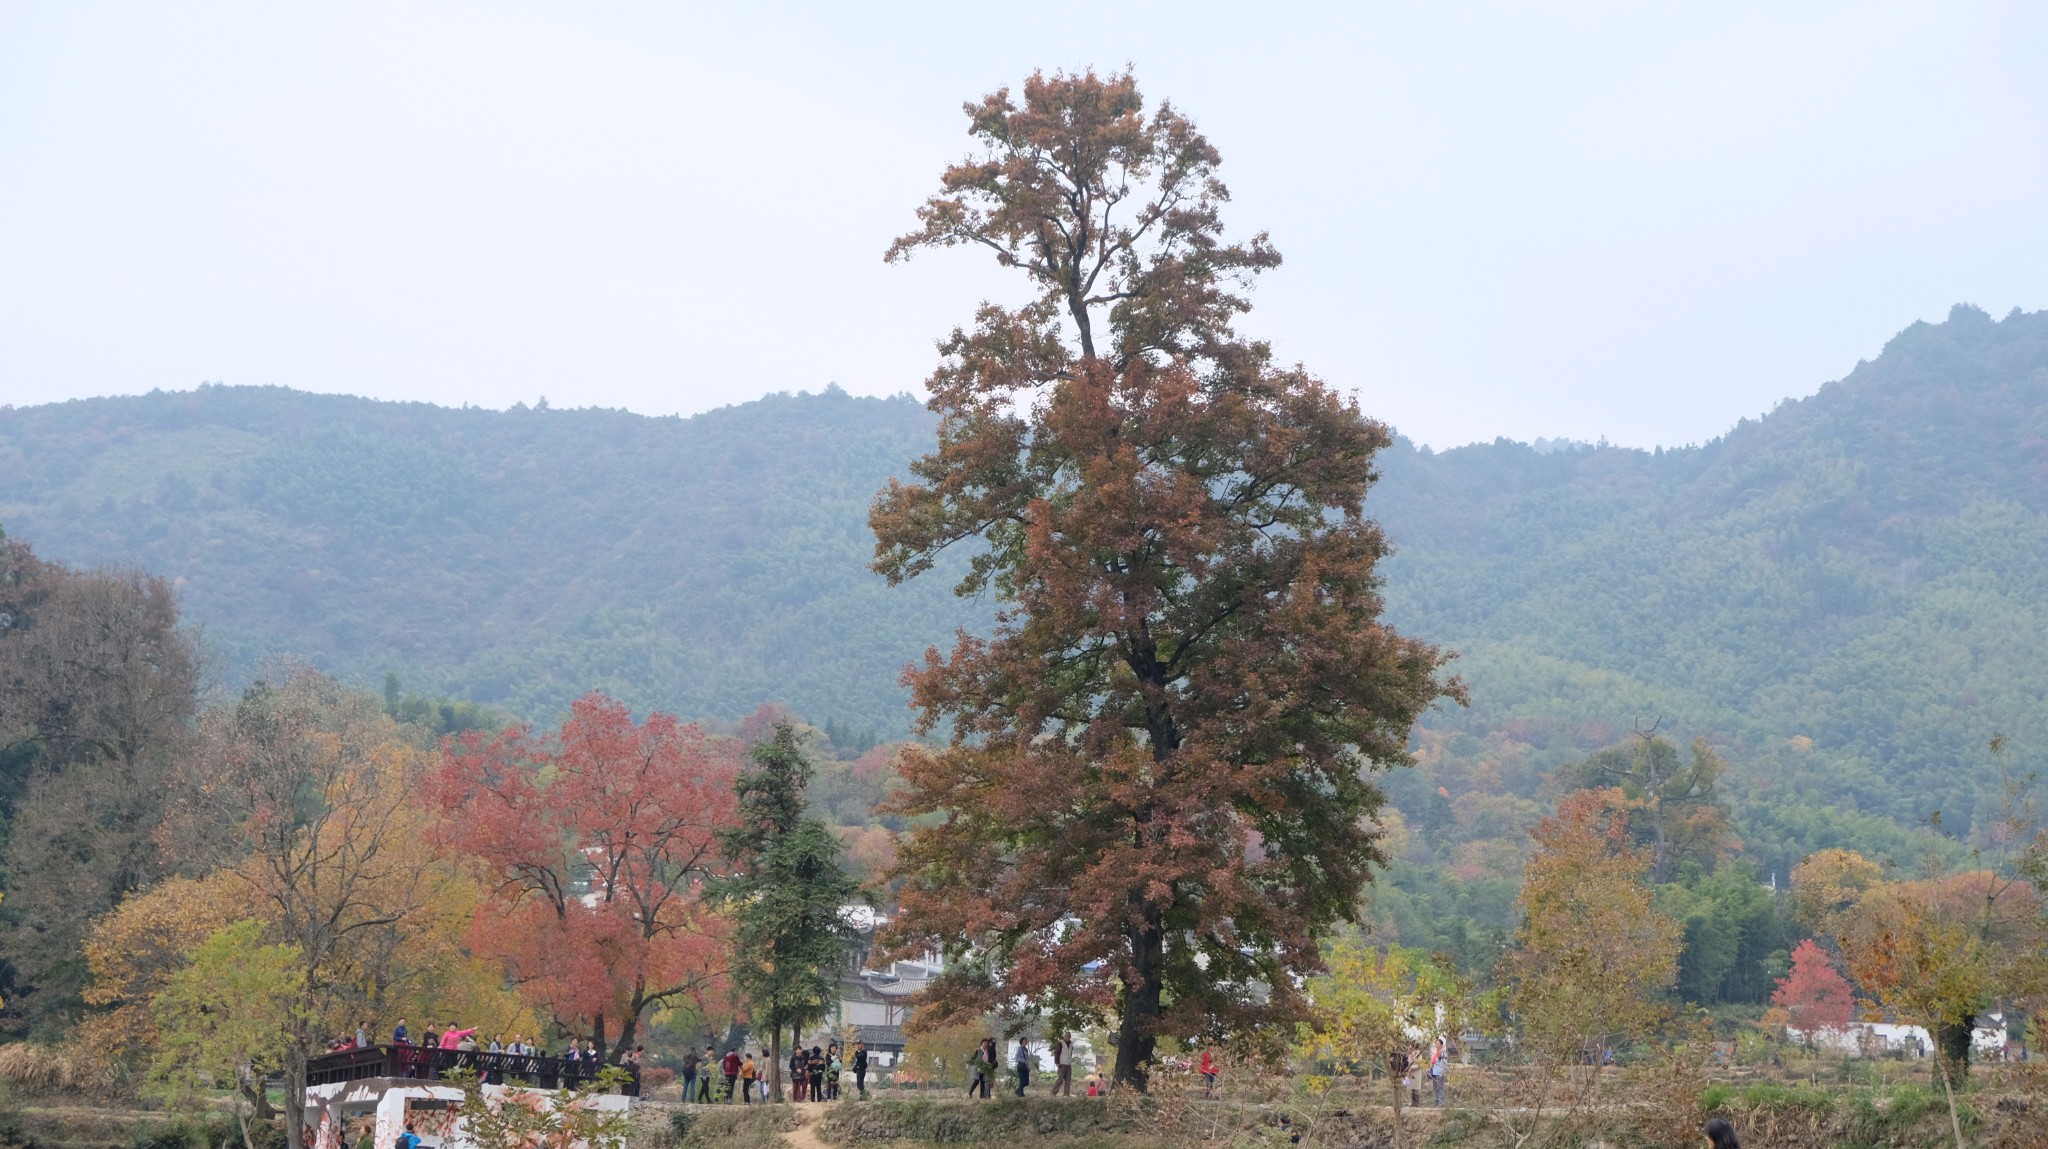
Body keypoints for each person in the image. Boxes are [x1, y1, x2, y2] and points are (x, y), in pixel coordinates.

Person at [1429, 1039, 1448, 1106]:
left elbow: (1444, 1064)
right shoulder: (1435, 1053)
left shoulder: (1443, 1053)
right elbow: (1432, 1063)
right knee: (1435, 1088)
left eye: (1438, 1044)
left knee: (1440, 1088)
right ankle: (1436, 1102)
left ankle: (1441, 1103)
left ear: (1441, 1045)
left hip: (1440, 1073)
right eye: (1436, 1044)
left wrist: (1442, 1073)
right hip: (1434, 1073)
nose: (1436, 1045)